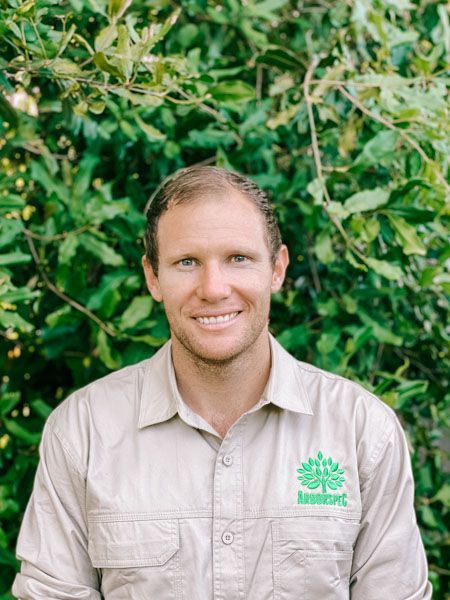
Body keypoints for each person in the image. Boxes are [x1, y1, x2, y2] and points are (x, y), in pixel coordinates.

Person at [13, 166, 431, 599]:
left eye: (238, 258)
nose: (213, 289)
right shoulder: (83, 431)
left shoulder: (363, 430)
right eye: (187, 262)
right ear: (153, 277)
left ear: (277, 268)